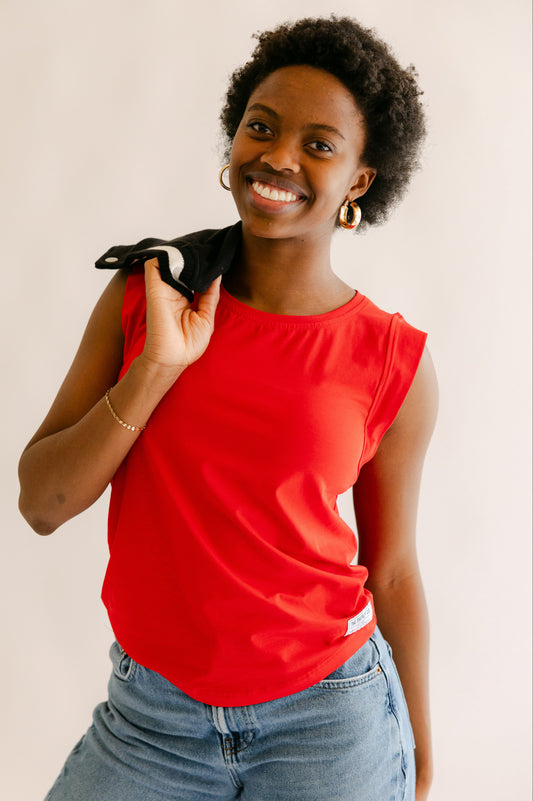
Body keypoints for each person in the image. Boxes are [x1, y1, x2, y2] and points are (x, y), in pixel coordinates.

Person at [18, 15, 438, 801]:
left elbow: (393, 569)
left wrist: (418, 745)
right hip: (151, 720)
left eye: (319, 144)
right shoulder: (149, 294)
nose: (276, 157)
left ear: (358, 180)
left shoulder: (391, 359)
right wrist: (154, 370)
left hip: (329, 720)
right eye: (261, 127)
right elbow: (42, 503)